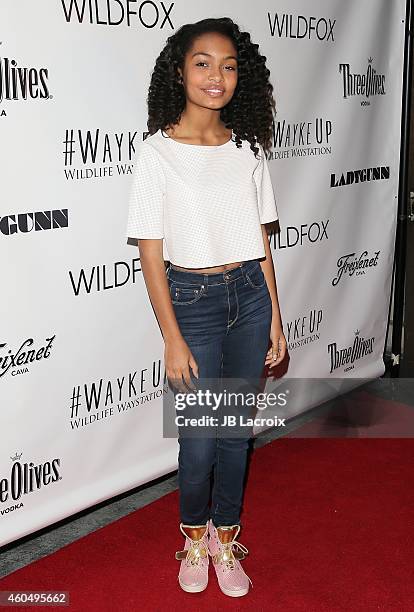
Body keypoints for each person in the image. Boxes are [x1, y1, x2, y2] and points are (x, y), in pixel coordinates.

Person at [126, 16, 287, 598]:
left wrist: (275, 314)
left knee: (234, 433)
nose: (216, 76)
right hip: (190, 302)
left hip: (247, 293)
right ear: (179, 70)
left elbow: (260, 240)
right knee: (198, 438)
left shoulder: (247, 150)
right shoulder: (156, 153)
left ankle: (226, 538)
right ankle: (193, 537)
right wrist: (171, 336)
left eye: (228, 65)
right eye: (202, 63)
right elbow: (150, 251)